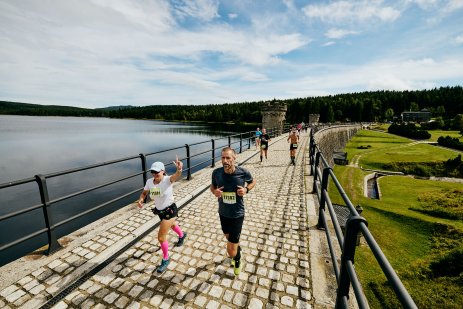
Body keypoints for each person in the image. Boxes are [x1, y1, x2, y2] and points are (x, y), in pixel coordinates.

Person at [210, 147, 256, 276]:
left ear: (234, 158)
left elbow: (252, 182)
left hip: (237, 214)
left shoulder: (243, 172)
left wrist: (246, 190)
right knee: (228, 237)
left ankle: (237, 259)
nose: (225, 160)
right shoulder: (216, 173)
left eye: (228, 158)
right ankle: (236, 249)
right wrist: (215, 192)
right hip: (223, 212)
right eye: (223, 157)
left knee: (230, 251)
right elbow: (212, 186)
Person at [137, 156, 187, 273]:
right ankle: (181, 235)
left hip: (170, 210)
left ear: (163, 171)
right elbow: (144, 193)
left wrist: (179, 170)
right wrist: (141, 200)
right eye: (152, 172)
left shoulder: (167, 180)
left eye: (156, 171)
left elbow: (176, 176)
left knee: (161, 237)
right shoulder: (150, 182)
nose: (154, 174)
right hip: (160, 211)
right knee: (173, 225)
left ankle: (166, 259)